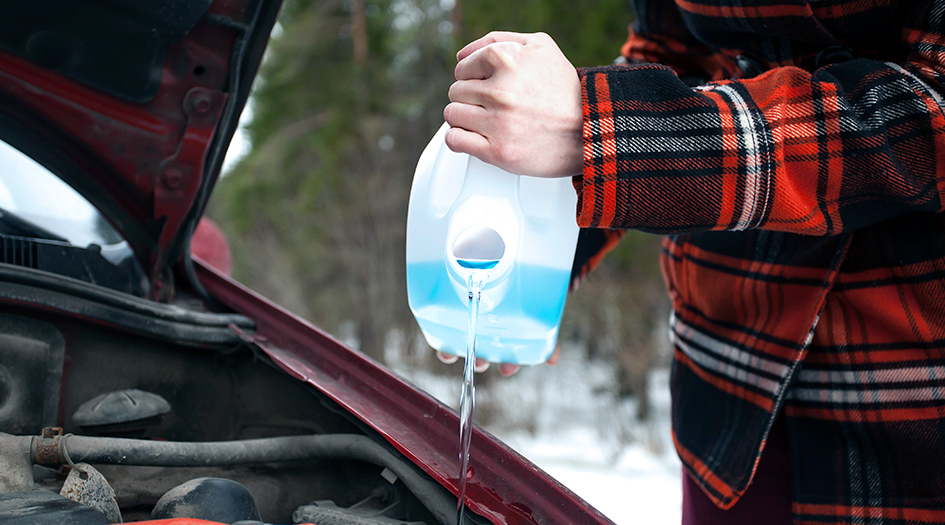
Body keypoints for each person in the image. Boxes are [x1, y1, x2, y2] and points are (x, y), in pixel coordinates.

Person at [443, 0, 945, 523]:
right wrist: (543, 244)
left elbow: (933, 104)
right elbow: (670, 52)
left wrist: (601, 130)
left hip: (910, 392)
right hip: (726, 374)